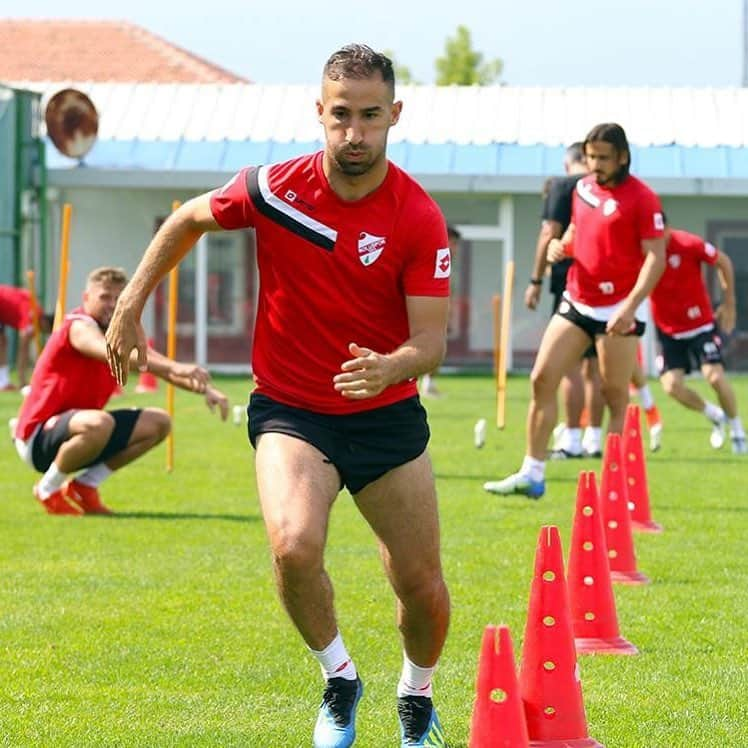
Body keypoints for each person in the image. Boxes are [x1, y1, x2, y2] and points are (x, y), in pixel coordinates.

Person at [104, 45, 451, 748]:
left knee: (420, 587)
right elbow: (185, 221)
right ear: (319, 114)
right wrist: (129, 307)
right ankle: (339, 679)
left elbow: (431, 342)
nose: (355, 133)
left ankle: (416, 694)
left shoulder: (416, 215)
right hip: (292, 409)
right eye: (341, 116)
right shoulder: (274, 189)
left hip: (385, 414)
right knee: (293, 547)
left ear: (395, 116)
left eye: (370, 117)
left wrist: (391, 367)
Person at [485, 122, 666, 498]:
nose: (595, 165)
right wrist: (560, 249)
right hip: (577, 299)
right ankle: (532, 474)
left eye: (602, 158)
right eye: (590, 157)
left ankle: (613, 487)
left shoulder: (643, 198)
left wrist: (630, 307)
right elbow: (577, 233)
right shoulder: (582, 189)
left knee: (616, 395)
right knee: (541, 378)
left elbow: (655, 260)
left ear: (622, 158)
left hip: (619, 308)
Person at [13, 266, 229, 516]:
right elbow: (109, 351)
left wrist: (206, 390)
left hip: (84, 432)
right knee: (99, 422)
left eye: (118, 298)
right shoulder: (77, 325)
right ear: (86, 298)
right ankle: (47, 489)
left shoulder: (117, 334)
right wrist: (175, 365)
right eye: (105, 297)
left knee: (159, 423)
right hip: (37, 436)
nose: (111, 304)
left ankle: (85, 486)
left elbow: (157, 367)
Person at [525, 142, 602, 459]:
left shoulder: (563, 185)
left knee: (568, 366)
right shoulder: (604, 189)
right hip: (606, 286)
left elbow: (549, 234)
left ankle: (571, 439)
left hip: (571, 285)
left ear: (569, 161)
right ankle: (595, 439)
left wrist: (536, 280)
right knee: (595, 370)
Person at [650, 222, 746, 454]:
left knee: (714, 377)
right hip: (669, 330)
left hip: (701, 325)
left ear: (666, 229)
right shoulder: (642, 250)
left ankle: (737, 430)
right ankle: (714, 414)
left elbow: (723, 261)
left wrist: (729, 302)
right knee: (671, 386)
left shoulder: (687, 243)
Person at [420, 223, 462, 398]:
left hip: (439, 312)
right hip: (424, 312)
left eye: (456, 244)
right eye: (452, 242)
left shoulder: (449, 263)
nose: (455, 248)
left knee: (438, 347)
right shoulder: (432, 256)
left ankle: (429, 383)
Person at [0, 283, 53, 390]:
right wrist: (22, 379)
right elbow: (23, 348)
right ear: (46, 324)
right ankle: (3, 382)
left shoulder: (36, 312)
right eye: (47, 331)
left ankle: (3, 381)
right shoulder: (32, 317)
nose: (44, 333)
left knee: (2, 342)